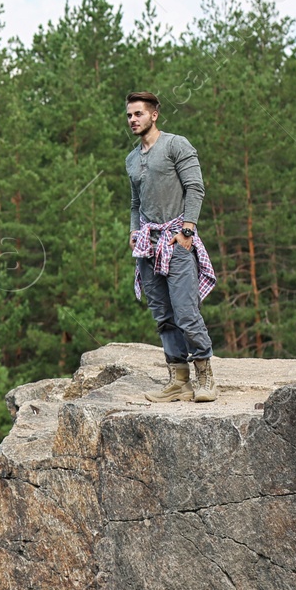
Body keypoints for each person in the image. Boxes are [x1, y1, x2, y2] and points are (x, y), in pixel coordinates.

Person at [124, 91, 218, 402]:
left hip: (177, 241)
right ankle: (179, 381)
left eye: (138, 114)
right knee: (163, 315)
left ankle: (206, 378)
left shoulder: (177, 144)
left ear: (154, 115)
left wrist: (187, 230)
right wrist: (134, 231)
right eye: (129, 115)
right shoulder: (132, 159)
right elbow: (136, 202)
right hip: (147, 246)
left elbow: (196, 187)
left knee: (186, 312)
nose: (133, 120)